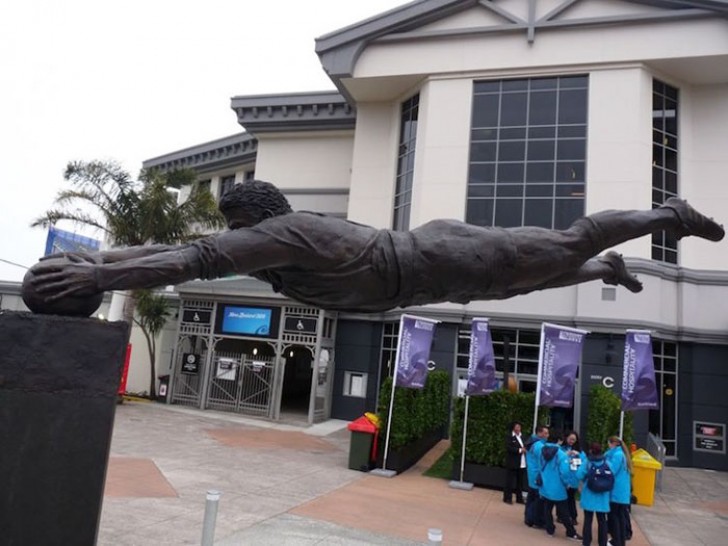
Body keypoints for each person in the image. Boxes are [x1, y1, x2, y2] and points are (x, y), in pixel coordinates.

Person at [27, 179, 725, 312]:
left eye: (233, 220)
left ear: (256, 216)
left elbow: (192, 261)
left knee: (564, 240)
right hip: (421, 284)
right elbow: (177, 250)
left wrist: (95, 281)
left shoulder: (282, 233)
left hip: (436, 255)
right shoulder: (277, 261)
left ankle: (665, 211)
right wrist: (96, 262)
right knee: (520, 286)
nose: (231, 233)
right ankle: (611, 266)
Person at [539, 434, 583, 541]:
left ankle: (550, 529)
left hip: (546, 485)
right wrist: (568, 483)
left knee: (548, 508)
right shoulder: (561, 455)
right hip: (558, 487)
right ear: (559, 440)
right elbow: (565, 472)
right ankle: (571, 532)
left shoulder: (542, 450)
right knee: (564, 511)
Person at [576, 442, 611, 546]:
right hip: (603, 495)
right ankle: (602, 543)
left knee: (588, 520)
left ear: (590, 451)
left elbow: (578, 475)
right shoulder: (607, 462)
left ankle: (586, 542)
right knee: (602, 520)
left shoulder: (587, 462)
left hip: (589, 494)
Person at [605, 436, 633, 546]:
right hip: (622, 493)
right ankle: (620, 541)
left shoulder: (617, 455)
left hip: (616, 492)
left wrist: (605, 460)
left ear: (613, 443)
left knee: (614, 517)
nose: (608, 446)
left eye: (609, 444)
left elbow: (612, 470)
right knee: (621, 517)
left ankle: (616, 541)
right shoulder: (621, 454)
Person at [525, 424, 549, 528]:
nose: (547, 435)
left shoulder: (531, 441)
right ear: (539, 433)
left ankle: (528, 518)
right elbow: (543, 461)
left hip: (531, 474)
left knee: (531, 497)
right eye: (545, 433)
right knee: (538, 500)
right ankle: (536, 520)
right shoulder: (539, 446)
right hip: (538, 475)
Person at [562, 430, 586, 525]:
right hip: (564, 477)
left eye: (574, 440)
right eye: (570, 439)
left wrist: (576, 459)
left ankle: (573, 517)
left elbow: (584, 463)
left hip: (573, 478)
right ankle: (562, 516)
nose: (572, 441)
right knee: (562, 498)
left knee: (571, 498)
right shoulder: (562, 449)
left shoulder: (580, 451)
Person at [504, 421, 526, 505]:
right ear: (513, 428)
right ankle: (507, 498)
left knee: (520, 482)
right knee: (509, 481)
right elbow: (509, 448)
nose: (518, 428)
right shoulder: (510, 436)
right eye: (516, 427)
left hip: (522, 462)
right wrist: (520, 450)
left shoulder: (523, 436)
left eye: (519, 427)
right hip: (512, 462)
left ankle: (519, 498)